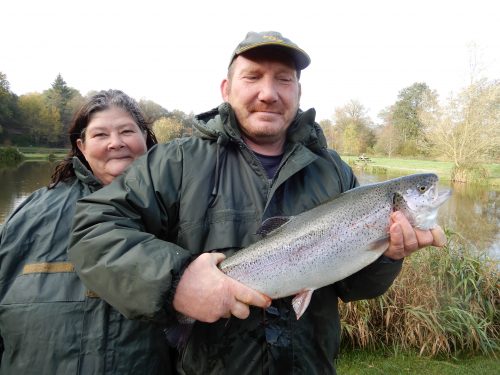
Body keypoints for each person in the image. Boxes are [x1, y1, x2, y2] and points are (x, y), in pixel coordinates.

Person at [68, 32, 446, 374]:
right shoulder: (176, 162)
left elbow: (354, 287)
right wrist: (176, 281)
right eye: (253, 77)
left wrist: (388, 256)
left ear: (298, 91)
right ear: (226, 88)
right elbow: (93, 230)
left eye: (284, 79)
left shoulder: (333, 171)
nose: (269, 92)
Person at [0, 89, 174, 374]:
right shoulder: (28, 215)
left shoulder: (180, 212)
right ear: (81, 145)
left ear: (146, 137)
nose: (115, 143)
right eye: (100, 135)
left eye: (127, 131)